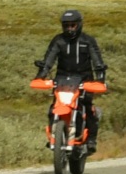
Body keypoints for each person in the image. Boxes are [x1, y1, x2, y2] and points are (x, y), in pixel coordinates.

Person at [36, 9, 108, 153]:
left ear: (79, 25)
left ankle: (91, 139)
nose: (69, 29)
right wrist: (41, 76)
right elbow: (49, 59)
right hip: (62, 80)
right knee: (53, 109)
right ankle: (55, 137)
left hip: (84, 80)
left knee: (88, 107)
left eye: (72, 25)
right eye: (66, 25)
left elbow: (97, 61)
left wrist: (100, 79)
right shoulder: (58, 40)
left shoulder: (88, 41)